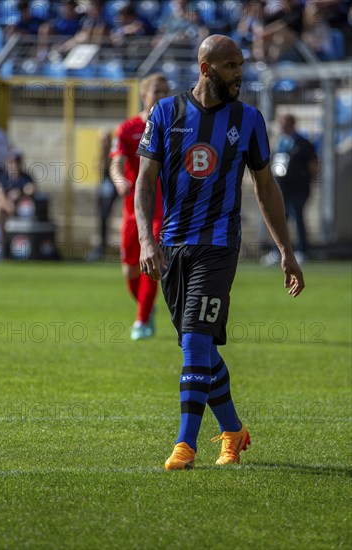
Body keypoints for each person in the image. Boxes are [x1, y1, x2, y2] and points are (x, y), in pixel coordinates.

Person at [134, 35, 305, 470]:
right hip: (173, 247)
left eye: (241, 64)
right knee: (203, 349)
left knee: (194, 342)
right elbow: (144, 181)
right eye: (230, 66)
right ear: (206, 68)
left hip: (219, 247)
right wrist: (146, 239)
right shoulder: (166, 113)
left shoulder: (248, 120)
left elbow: (266, 187)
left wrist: (285, 250)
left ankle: (184, 445)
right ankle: (233, 431)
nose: (239, 73)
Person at [109, 73, 170, 341]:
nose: (162, 96)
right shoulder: (128, 128)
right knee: (129, 269)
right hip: (133, 209)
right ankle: (147, 307)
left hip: (162, 209)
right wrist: (119, 179)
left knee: (152, 259)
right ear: (144, 95)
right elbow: (116, 163)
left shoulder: (175, 128)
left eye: (166, 91)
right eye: (157, 91)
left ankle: (141, 321)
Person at [265, 114, 318, 264]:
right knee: (280, 220)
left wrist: (306, 181)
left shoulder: (303, 143)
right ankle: (278, 252)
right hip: (281, 189)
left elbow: (313, 165)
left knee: (298, 217)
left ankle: (301, 250)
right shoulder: (279, 142)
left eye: (283, 124)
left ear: (291, 124)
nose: (281, 127)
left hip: (298, 189)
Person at [88, 131, 118, 261]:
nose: (103, 142)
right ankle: (101, 246)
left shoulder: (112, 154)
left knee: (105, 216)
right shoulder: (102, 155)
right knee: (101, 218)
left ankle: (103, 246)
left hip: (111, 189)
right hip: (104, 189)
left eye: (105, 140)